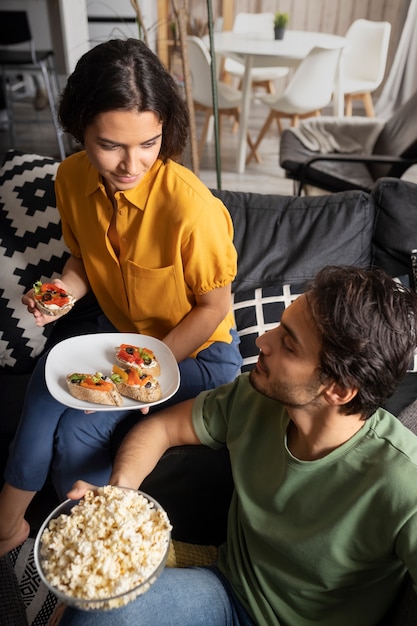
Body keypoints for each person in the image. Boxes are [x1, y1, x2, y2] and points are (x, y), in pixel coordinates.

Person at [60, 266, 417, 626]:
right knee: (93, 611)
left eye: (288, 344)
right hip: (229, 591)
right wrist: (119, 498)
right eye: (280, 325)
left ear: (339, 389)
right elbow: (162, 427)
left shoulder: (403, 480)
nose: (262, 341)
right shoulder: (253, 395)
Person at [0, 38, 242, 558]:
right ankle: (10, 525)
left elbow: (214, 308)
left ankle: (89, 541)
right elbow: (84, 259)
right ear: (80, 130)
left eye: (149, 143)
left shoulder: (192, 209)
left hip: (195, 354)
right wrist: (65, 291)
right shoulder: (68, 178)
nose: (132, 164)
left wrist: (146, 374)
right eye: (110, 145)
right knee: (46, 386)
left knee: (80, 431)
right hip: (122, 335)